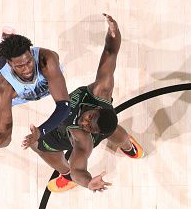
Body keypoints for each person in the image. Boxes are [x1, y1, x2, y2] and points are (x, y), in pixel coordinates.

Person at [22, 13, 144, 193]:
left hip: (63, 136)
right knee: (114, 130)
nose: (84, 122)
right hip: (103, 125)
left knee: (36, 146)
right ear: (97, 108)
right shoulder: (101, 90)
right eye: (89, 118)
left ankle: (65, 174)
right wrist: (114, 31)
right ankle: (128, 146)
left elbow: (79, 169)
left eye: (89, 127)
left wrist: (87, 182)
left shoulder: (82, 138)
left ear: (93, 133)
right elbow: (110, 52)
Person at [0, 30, 71, 147]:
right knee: (3, 77)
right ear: (10, 64)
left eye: (29, 61)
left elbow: (64, 106)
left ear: (31, 53)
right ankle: (7, 40)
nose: (27, 69)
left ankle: (9, 39)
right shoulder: (4, 89)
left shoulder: (46, 60)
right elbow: (5, 136)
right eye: (20, 66)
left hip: (48, 79)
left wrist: (41, 131)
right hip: (19, 95)